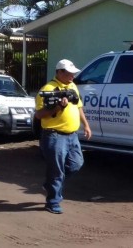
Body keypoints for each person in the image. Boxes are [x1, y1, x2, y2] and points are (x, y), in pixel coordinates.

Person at [35, 59, 92, 214]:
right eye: (69, 74)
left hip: (72, 135)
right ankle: (53, 202)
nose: (72, 76)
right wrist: (59, 107)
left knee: (76, 164)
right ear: (59, 72)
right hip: (54, 136)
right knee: (57, 171)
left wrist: (86, 125)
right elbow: (40, 115)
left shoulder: (72, 86)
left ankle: (50, 184)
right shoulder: (48, 89)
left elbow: (79, 107)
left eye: (73, 74)